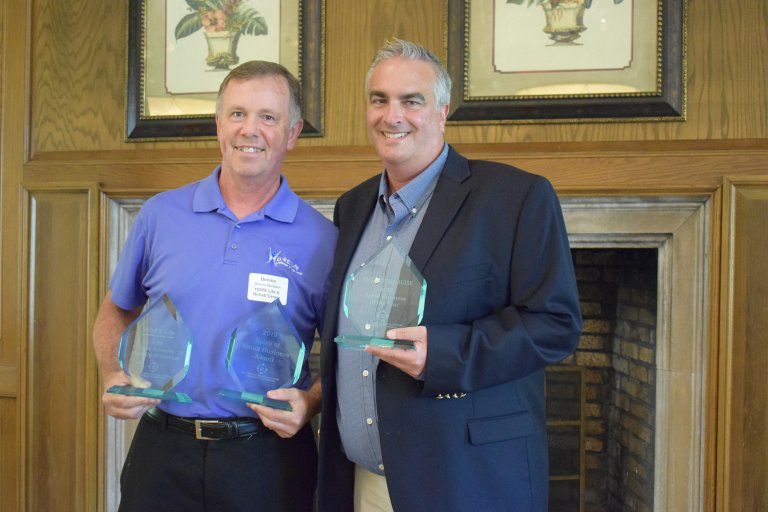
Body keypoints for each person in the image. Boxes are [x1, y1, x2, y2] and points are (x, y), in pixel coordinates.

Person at [317, 39, 583, 512]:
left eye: (410, 101)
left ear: (442, 111)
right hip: (363, 482)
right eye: (379, 99)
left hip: (465, 482)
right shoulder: (352, 206)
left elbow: (556, 325)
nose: (391, 115)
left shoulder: (515, 197)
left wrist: (442, 354)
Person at [93, 61, 337, 512]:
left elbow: (343, 352)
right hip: (163, 450)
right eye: (238, 113)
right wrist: (112, 373)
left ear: (293, 132)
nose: (250, 129)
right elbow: (116, 308)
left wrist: (311, 401)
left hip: (269, 459)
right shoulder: (161, 216)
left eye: (268, 117)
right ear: (219, 124)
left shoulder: (322, 240)